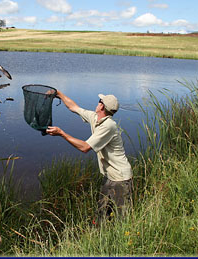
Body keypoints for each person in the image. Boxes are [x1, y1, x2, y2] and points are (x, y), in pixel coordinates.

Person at [46, 90, 133, 223]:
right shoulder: (95, 117)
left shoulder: (109, 126)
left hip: (121, 179)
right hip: (109, 176)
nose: (97, 103)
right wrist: (58, 93)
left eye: (100, 101)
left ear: (102, 106)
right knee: (102, 215)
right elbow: (74, 107)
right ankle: (101, 238)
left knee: (122, 219)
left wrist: (62, 133)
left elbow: (85, 147)